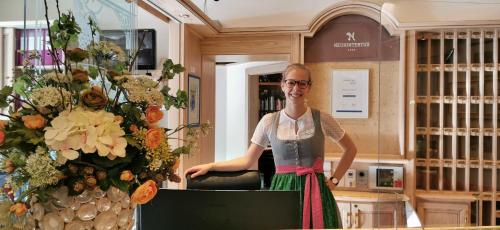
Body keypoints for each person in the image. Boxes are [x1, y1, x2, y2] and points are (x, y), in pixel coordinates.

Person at [185, 63, 357, 229]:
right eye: (291, 82)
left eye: (302, 83)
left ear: (308, 87)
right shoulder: (268, 121)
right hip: (282, 192)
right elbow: (247, 161)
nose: (296, 89)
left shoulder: (323, 119)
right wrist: (211, 166)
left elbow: (350, 149)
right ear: (282, 85)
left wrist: (334, 180)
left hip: (317, 193)